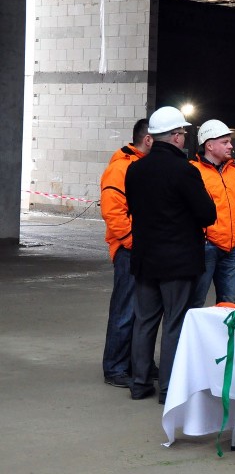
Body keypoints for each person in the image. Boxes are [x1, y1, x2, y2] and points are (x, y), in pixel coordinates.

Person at [125, 106, 217, 402]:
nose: (184, 138)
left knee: (145, 321)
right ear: (176, 136)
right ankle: (168, 389)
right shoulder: (185, 171)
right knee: (174, 323)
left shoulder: (135, 169)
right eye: (183, 133)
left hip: (145, 259)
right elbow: (206, 214)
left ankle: (139, 383)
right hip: (178, 262)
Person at [100, 118, 153, 389]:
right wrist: (133, 242)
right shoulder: (120, 169)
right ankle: (115, 367)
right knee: (124, 310)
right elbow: (113, 213)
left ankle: (134, 363)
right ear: (148, 139)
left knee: (140, 311)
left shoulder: (141, 166)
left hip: (141, 250)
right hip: (128, 251)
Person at [190, 119, 235, 308]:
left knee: (229, 304)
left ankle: (225, 339)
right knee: (195, 302)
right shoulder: (193, 171)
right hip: (205, 247)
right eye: (225, 142)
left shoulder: (234, 172)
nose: (231, 146)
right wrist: (203, 237)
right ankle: (192, 338)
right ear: (209, 145)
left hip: (232, 247)